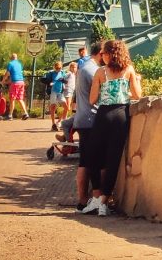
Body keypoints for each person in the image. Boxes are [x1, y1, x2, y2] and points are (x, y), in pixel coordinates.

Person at [80, 39, 142, 217]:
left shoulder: (101, 72)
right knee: (113, 159)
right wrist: (136, 82)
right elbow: (137, 95)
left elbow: (92, 99)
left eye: (103, 53)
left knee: (94, 156)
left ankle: (97, 196)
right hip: (122, 115)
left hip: (103, 116)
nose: (102, 56)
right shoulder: (129, 70)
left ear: (107, 54)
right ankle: (104, 202)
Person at [70, 42, 101, 211]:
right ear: (101, 53)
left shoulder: (84, 68)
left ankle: (82, 200)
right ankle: (88, 200)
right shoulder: (94, 70)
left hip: (82, 117)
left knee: (84, 161)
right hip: (90, 119)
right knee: (93, 161)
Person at [3, 52, 30, 120]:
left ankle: (10, 115)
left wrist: (3, 81)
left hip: (15, 83)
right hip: (21, 82)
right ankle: (25, 113)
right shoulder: (19, 64)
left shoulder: (10, 63)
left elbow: (7, 73)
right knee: (20, 99)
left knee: (12, 99)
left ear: (11, 58)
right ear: (16, 58)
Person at [44, 60, 68, 130]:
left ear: (61, 67)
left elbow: (66, 81)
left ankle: (60, 122)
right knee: (53, 107)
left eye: (59, 68)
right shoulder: (51, 73)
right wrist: (49, 83)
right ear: (54, 67)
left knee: (66, 107)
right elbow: (44, 80)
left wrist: (63, 80)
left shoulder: (63, 72)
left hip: (60, 92)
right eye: (57, 68)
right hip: (53, 91)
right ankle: (53, 124)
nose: (58, 69)